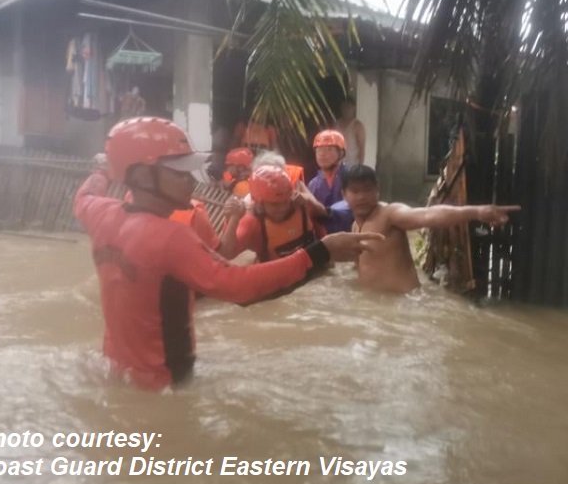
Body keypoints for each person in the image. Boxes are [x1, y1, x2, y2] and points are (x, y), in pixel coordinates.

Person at [73, 117, 382, 391]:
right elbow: (240, 287)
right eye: (180, 173)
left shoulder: (101, 213)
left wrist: (105, 171)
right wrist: (321, 253)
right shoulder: (171, 238)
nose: (192, 182)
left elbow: (84, 196)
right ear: (141, 177)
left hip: (116, 370)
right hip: (166, 383)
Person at [342, 165, 520, 294]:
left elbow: (427, 215)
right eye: (355, 191)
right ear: (344, 195)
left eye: (367, 190)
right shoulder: (355, 226)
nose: (362, 197)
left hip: (402, 306)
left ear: (377, 191)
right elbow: (360, 268)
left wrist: (477, 212)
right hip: (375, 307)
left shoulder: (389, 214)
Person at [226, 165, 326, 262]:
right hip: (282, 277)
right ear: (259, 203)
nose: (283, 208)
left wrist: (309, 200)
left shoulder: (302, 204)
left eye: (286, 201)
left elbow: (326, 216)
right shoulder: (252, 222)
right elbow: (228, 253)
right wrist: (232, 219)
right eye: (274, 205)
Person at [307, 129, 354, 233]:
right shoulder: (313, 184)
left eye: (328, 150)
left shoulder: (352, 176)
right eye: (319, 150)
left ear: (341, 153)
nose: (322, 154)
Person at [335, 97, 366, 167]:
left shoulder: (357, 126)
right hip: (337, 165)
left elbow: (362, 149)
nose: (346, 110)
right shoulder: (336, 125)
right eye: (344, 107)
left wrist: (360, 168)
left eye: (348, 107)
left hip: (352, 166)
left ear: (354, 108)